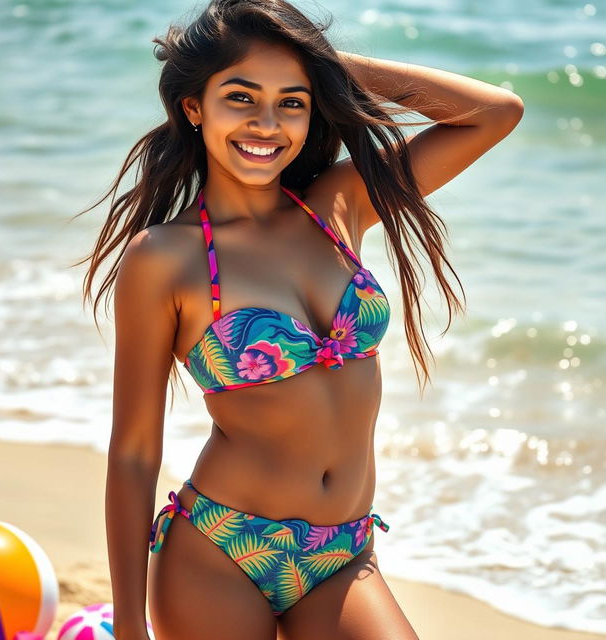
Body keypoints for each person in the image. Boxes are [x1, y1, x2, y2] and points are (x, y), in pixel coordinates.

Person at [74, 0, 523, 637]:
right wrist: (127, 623)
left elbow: (493, 114)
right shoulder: (165, 258)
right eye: (240, 96)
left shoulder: (339, 205)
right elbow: (135, 450)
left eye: (292, 100)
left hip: (345, 553)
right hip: (220, 554)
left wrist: (329, 63)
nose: (266, 123)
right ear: (193, 107)